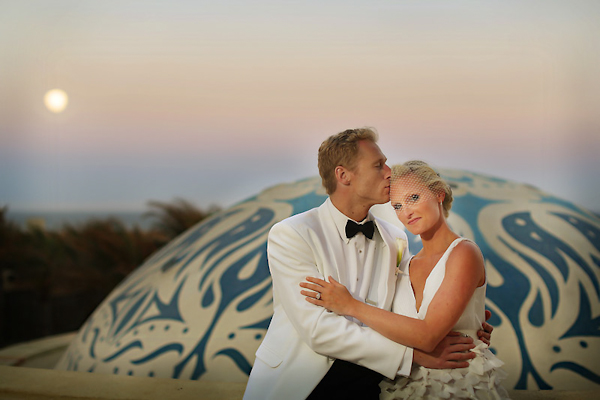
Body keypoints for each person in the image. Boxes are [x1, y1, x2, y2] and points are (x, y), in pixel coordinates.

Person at [243, 129, 492, 400]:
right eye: (378, 165)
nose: (389, 172)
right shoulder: (293, 233)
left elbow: (411, 303)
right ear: (343, 175)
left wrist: (466, 321)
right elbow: (317, 329)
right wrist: (411, 355)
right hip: (300, 384)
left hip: (372, 383)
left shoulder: (395, 238)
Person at [300, 160, 509, 399]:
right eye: (397, 205)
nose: (406, 212)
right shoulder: (403, 264)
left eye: (414, 198)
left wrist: (351, 305)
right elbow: (388, 325)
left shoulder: (464, 253)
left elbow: (428, 336)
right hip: (401, 384)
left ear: (439, 194)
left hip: (459, 383)